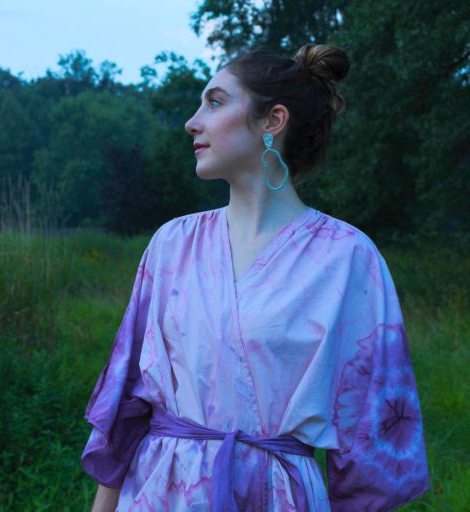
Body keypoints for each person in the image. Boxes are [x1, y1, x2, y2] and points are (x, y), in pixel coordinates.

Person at [81, 44, 431, 511]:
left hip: (276, 495)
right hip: (160, 493)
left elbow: (376, 440)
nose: (192, 121)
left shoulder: (347, 257)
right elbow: (128, 408)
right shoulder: (172, 245)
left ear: (273, 121)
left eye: (216, 101)